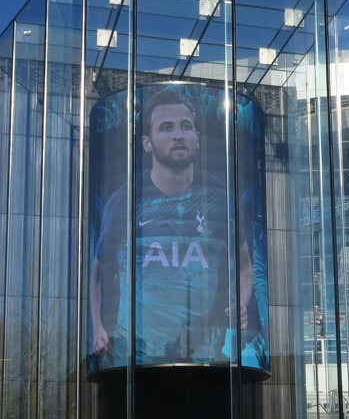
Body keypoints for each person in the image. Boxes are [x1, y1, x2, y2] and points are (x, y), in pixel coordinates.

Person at [89, 88, 254, 369]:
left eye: (185, 126)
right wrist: (98, 330)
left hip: (205, 358)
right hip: (135, 356)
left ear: (197, 139)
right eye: (166, 128)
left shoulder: (220, 196)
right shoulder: (125, 201)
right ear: (147, 143)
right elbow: (96, 278)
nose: (179, 134)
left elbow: (245, 265)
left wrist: (241, 302)